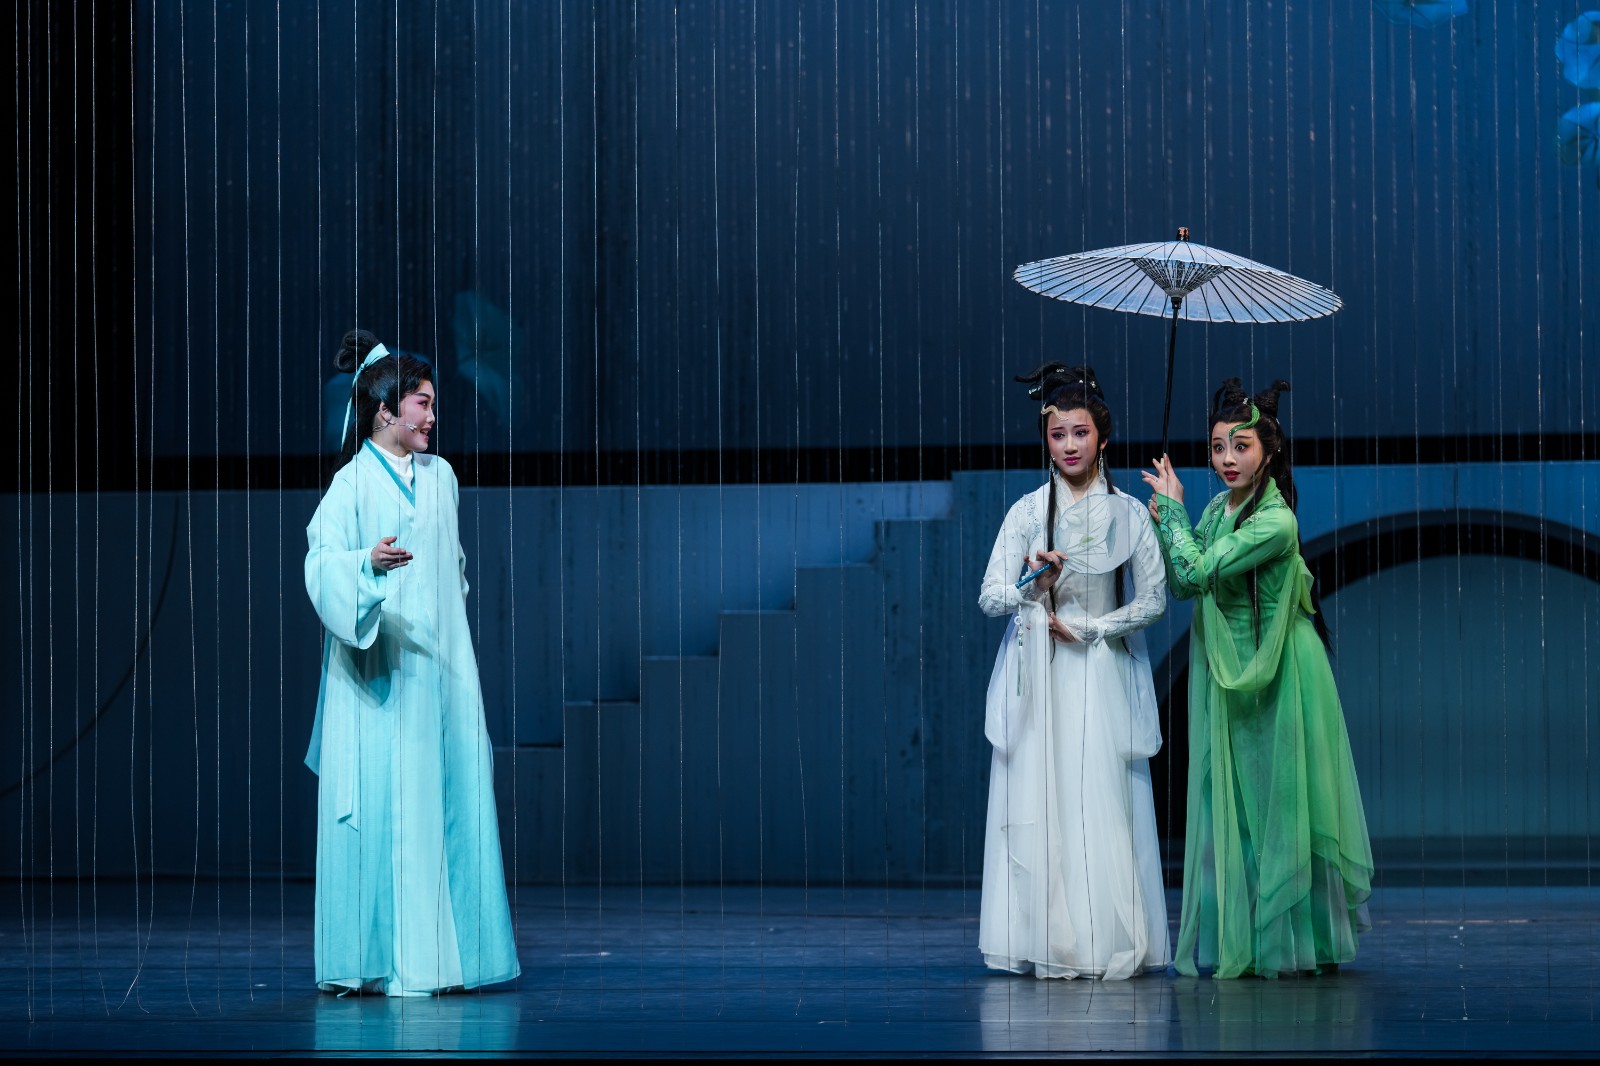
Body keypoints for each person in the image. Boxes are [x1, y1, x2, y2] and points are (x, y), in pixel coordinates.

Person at [304, 328, 520, 996]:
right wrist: (364, 566)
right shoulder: (351, 484)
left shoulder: (441, 477)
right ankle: (386, 961)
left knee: (448, 800)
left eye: (432, 404)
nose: (432, 416)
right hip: (380, 673)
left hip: (441, 670)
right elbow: (320, 563)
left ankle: (450, 959)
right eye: (422, 403)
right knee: (390, 809)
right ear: (385, 411)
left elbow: (452, 573)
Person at [1142, 377, 1373, 979]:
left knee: (1285, 799)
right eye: (1218, 447)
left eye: (1241, 447)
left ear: (1269, 452)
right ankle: (1248, 934)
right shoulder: (1217, 509)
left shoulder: (1276, 523)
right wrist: (1172, 517)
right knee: (1238, 805)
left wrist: (1172, 512)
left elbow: (1197, 571)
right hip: (1229, 663)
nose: (1227, 459)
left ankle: (1296, 942)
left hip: (1280, 667)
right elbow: (1185, 582)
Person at [977, 363, 1172, 980]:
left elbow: (1155, 600)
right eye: (1058, 434)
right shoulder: (1028, 512)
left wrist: (1092, 628)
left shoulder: (1128, 513)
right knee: (1041, 800)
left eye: (1080, 433)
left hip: (1097, 672)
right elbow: (989, 597)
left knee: (1097, 803)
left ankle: (1101, 938)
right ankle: (1049, 939)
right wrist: (1035, 582)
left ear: (1102, 438)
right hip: (1039, 670)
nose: (1068, 445)